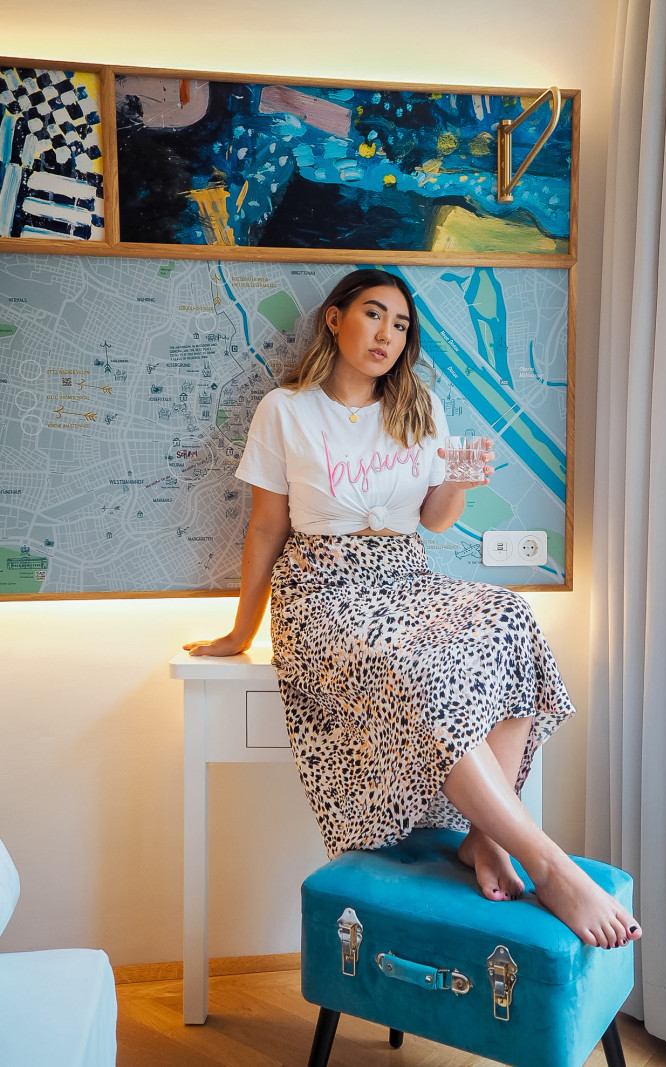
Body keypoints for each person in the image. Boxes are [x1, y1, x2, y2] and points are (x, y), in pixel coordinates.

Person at [185, 268, 641, 950]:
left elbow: (435, 519)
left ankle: (486, 835)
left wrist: (460, 478)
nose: (388, 335)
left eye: (401, 325)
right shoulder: (284, 410)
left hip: (407, 577)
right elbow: (264, 529)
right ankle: (548, 861)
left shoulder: (419, 406)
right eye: (374, 315)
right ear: (335, 319)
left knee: (508, 617)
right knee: (413, 669)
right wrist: (240, 630)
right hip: (323, 591)